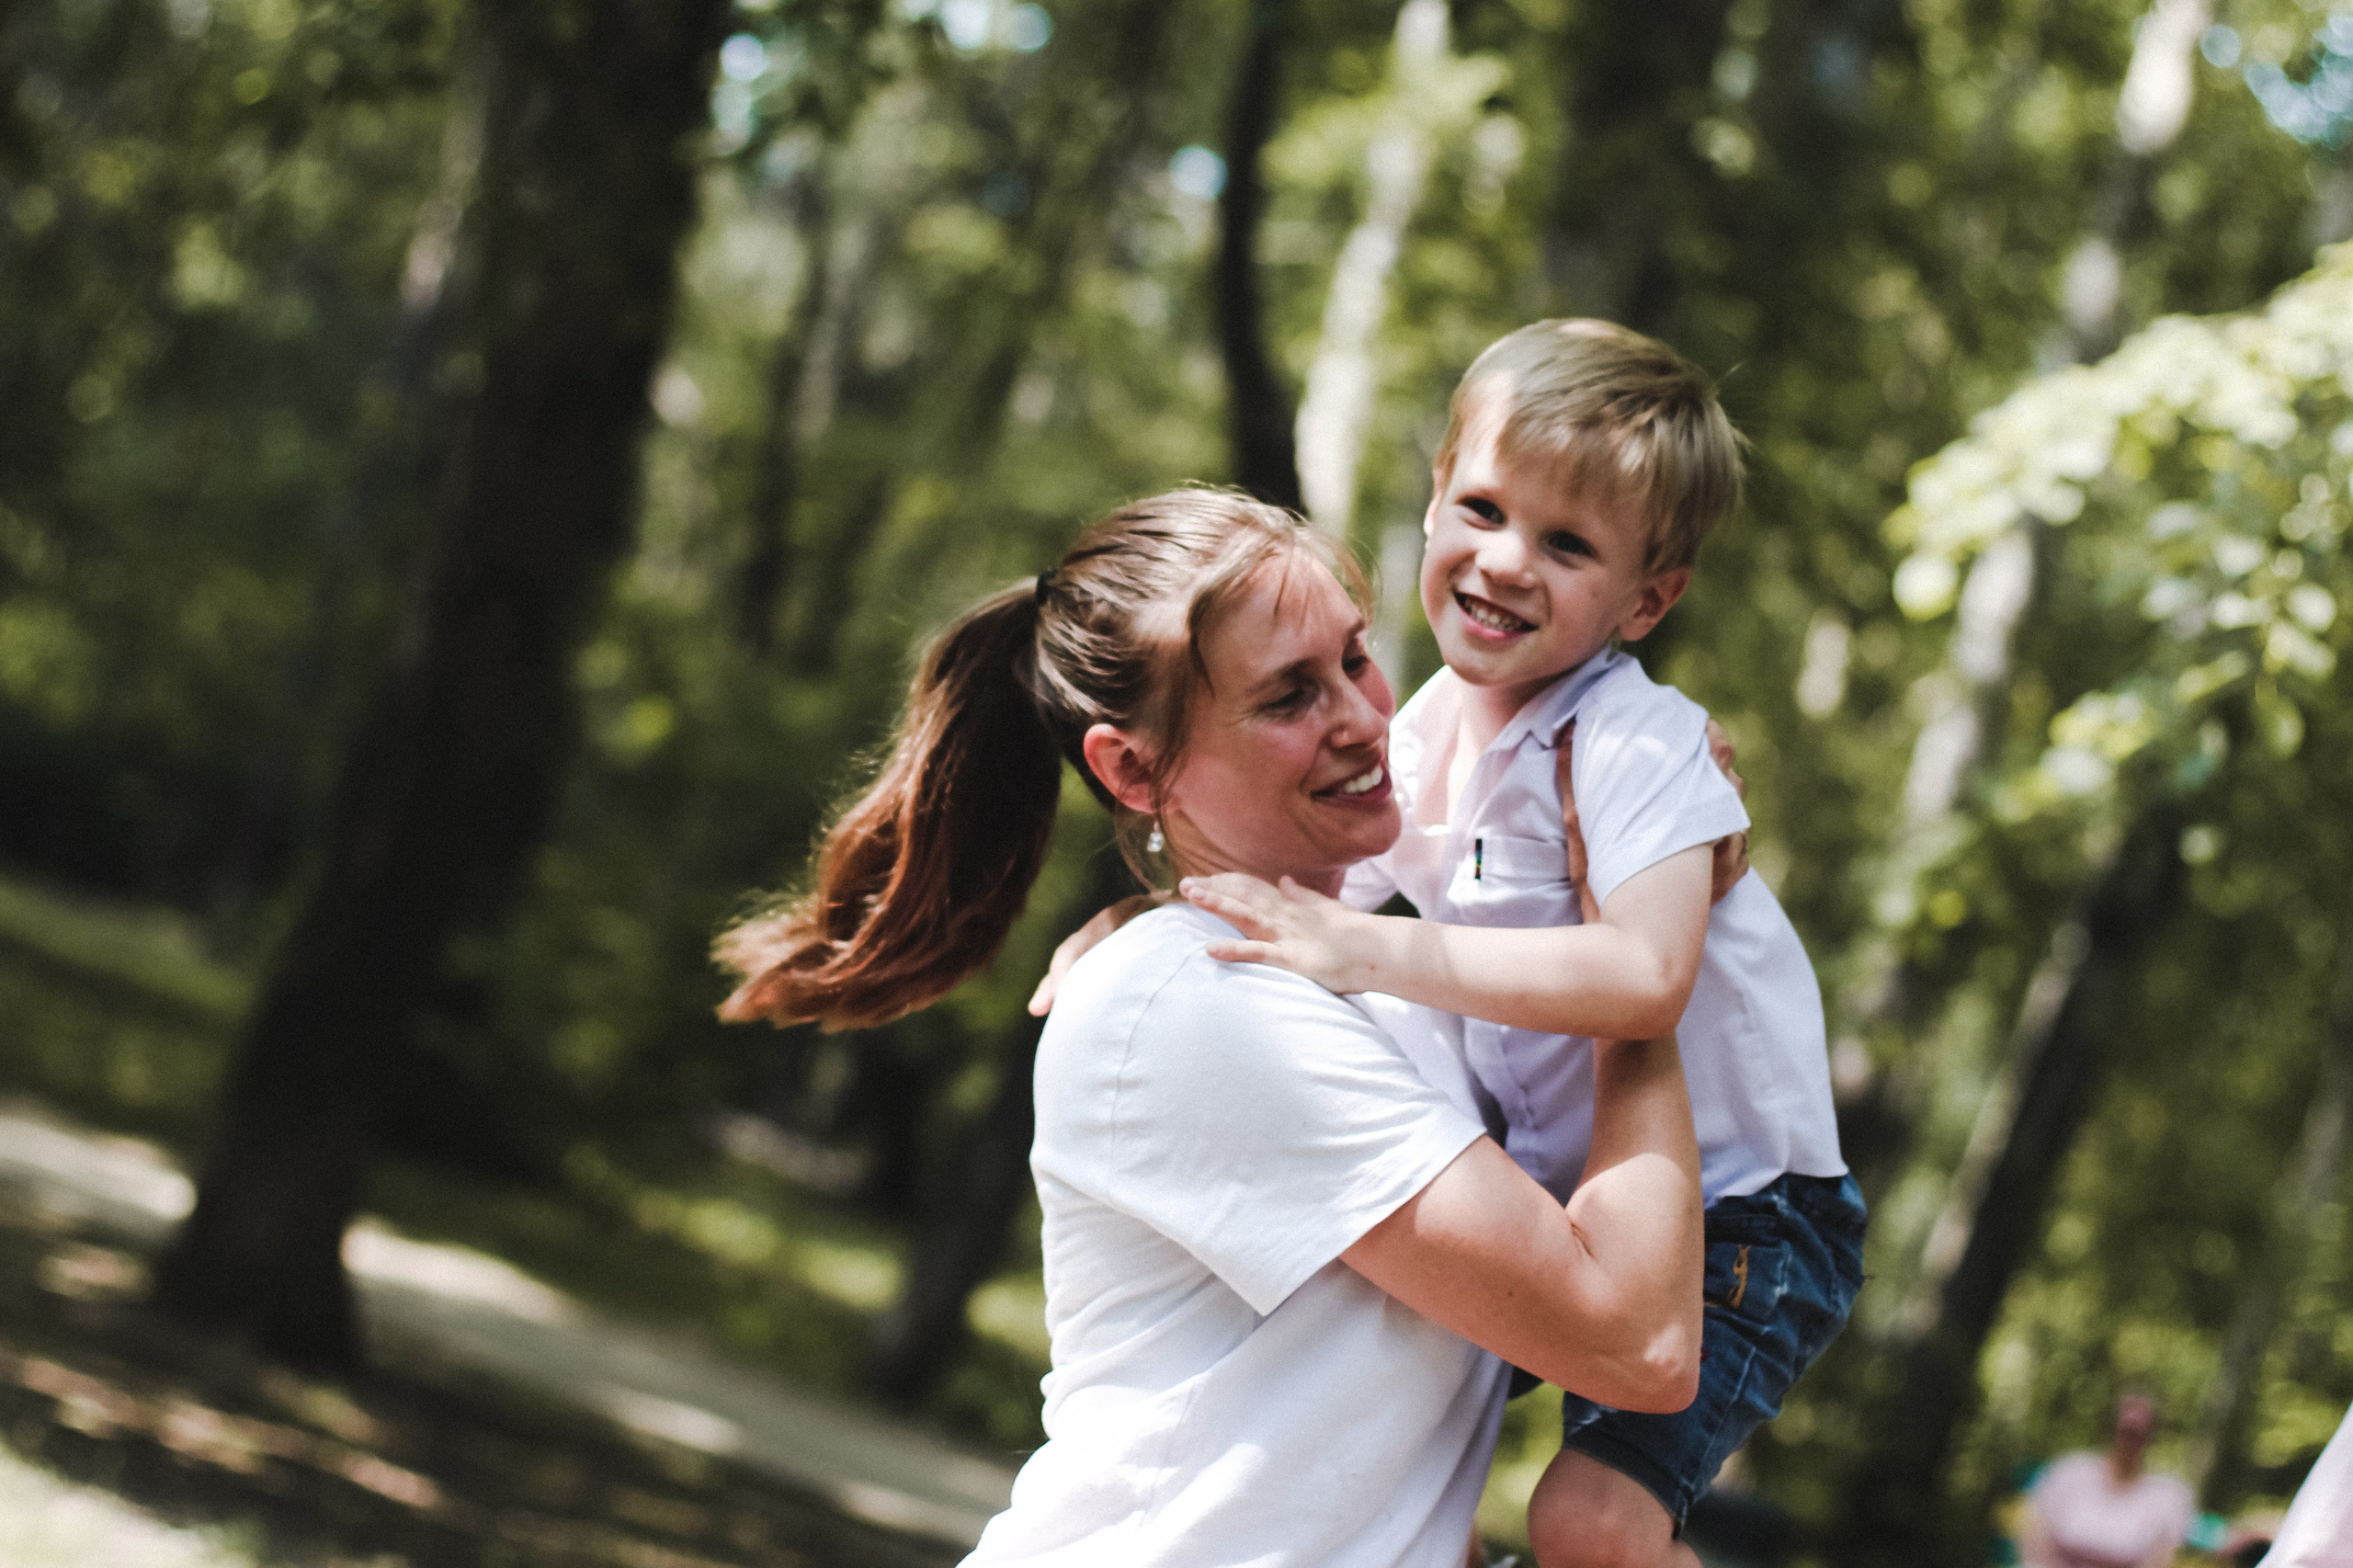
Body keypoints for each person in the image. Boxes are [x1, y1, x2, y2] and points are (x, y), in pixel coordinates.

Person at [716, 489, 1708, 1567]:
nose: (1367, 716)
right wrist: (1633, 962)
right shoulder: (1207, 1001)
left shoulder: (1378, 1006)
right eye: (1290, 695)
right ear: (1133, 769)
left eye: (1355, 657)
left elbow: (1358, 1446)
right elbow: (1637, 1343)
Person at [1169, 320, 1863, 1568]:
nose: (1506, 561)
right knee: (1386, 1403)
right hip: (1567, 1186)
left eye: (1569, 544)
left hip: (1743, 1213)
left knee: (1590, 1521)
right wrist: (1139, 926)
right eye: (1482, 508)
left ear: (1647, 597)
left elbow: (1646, 976)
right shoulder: (1429, 730)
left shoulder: (1636, 741)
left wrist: (1364, 952)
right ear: (1434, 497)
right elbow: (1302, 889)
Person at [2019, 1394, 2196, 1568]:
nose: (2129, 1442)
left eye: (2137, 1433)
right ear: (2112, 1429)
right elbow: (2036, 1537)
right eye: (2125, 1431)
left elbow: (2160, 1558)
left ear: (2151, 1437)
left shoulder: (2170, 1497)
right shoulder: (2068, 1472)